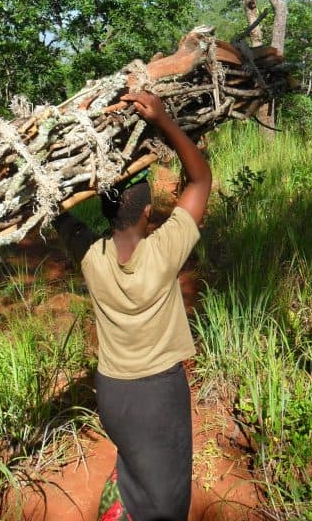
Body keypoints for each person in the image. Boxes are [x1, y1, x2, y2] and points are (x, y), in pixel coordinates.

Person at [54, 90, 212, 521]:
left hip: (113, 394)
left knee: (136, 467)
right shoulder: (163, 254)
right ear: (146, 216)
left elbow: (56, 212)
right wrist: (163, 119)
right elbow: (200, 181)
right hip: (158, 396)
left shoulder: (91, 255)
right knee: (167, 497)